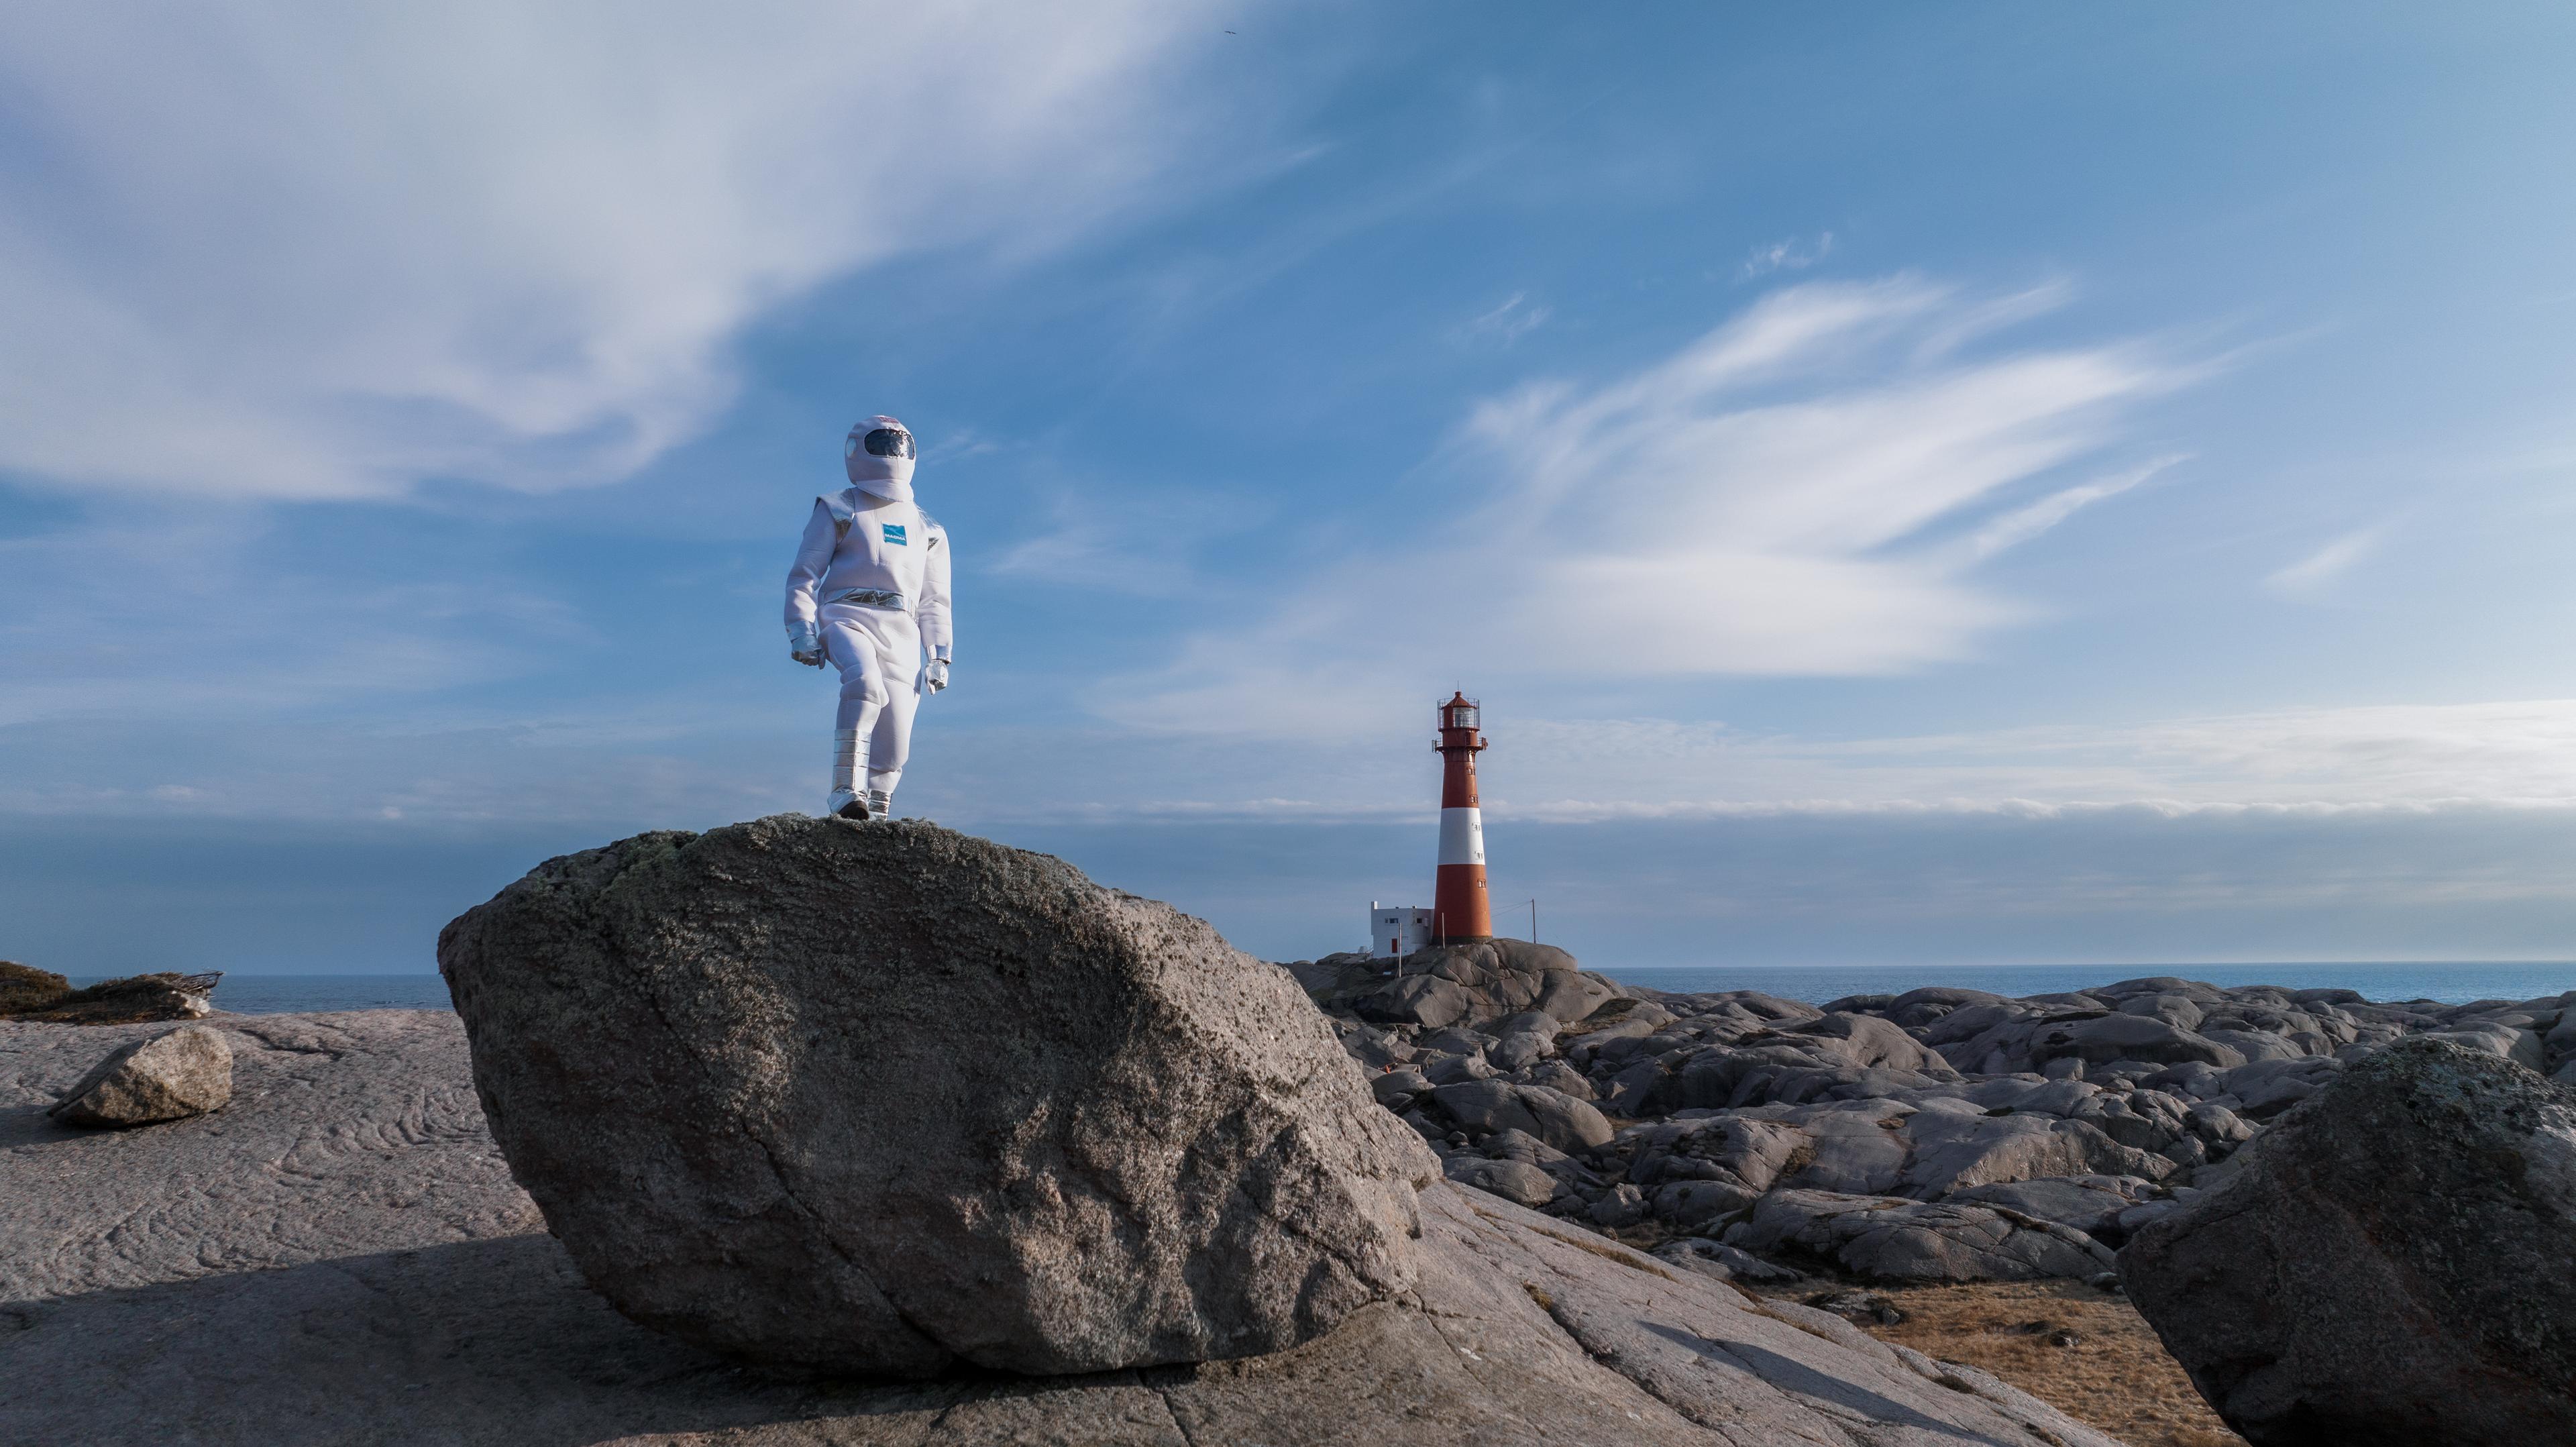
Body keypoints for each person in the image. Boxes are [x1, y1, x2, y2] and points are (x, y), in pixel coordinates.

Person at [783, 415, 953, 820]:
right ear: (859, 449)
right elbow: (805, 575)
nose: (891, 452)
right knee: (864, 684)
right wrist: (801, 630)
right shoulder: (839, 508)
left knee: (895, 741)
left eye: (896, 444)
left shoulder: (928, 528)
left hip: (903, 632)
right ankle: (845, 791)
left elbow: (935, 600)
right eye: (882, 443)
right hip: (846, 616)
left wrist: (940, 655)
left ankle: (877, 815)